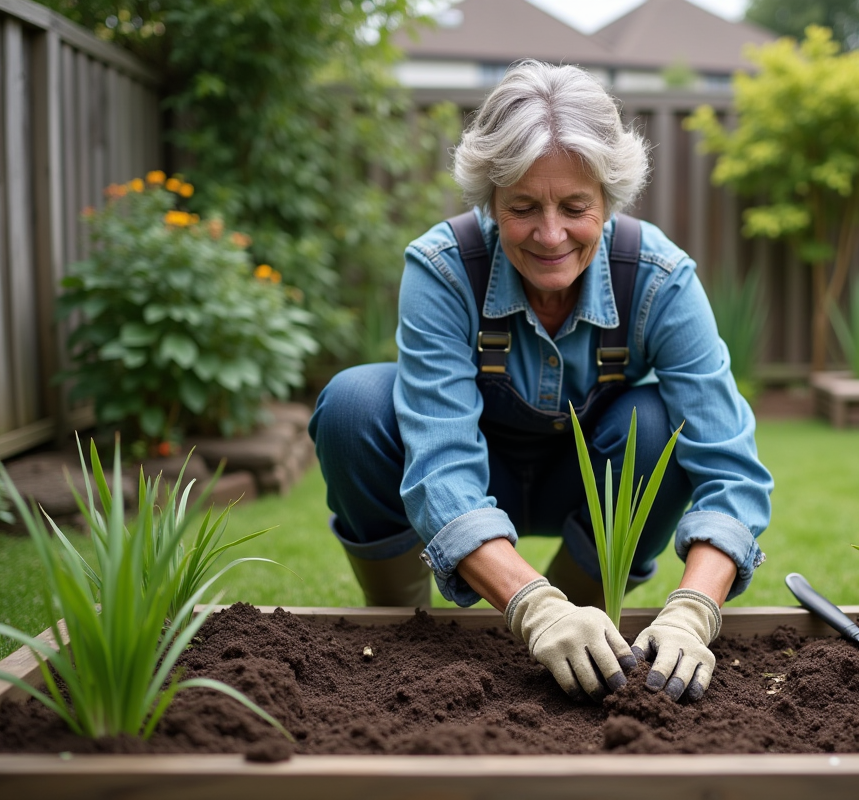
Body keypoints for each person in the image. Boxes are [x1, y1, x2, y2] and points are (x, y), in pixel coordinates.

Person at [309, 60, 772, 704]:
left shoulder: (660, 277)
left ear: (608, 201)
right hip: (477, 474)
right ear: (490, 201)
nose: (550, 234)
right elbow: (440, 465)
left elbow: (733, 471)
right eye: (523, 207)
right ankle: (405, 633)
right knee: (354, 406)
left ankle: (583, 639)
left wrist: (694, 610)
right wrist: (534, 607)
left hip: (584, 486)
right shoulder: (445, 269)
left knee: (660, 424)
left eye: (575, 207)